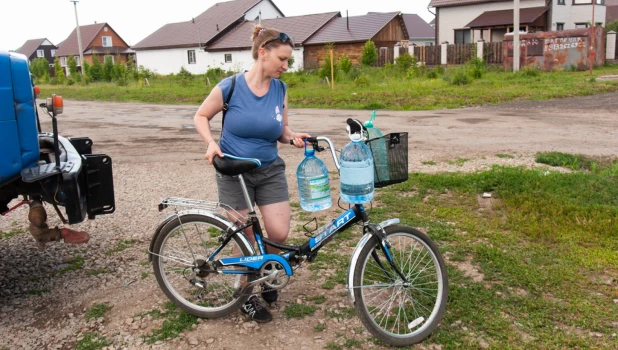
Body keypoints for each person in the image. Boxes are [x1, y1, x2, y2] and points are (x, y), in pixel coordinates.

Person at [193, 25, 309, 323]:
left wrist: (293, 136)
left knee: (279, 233)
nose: (286, 66)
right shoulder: (230, 87)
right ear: (263, 53)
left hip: (269, 169)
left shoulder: (280, 89)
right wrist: (211, 143)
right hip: (234, 171)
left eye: (287, 61)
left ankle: (267, 273)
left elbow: (281, 130)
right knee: (245, 239)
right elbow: (201, 116)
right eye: (282, 59)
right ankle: (245, 294)